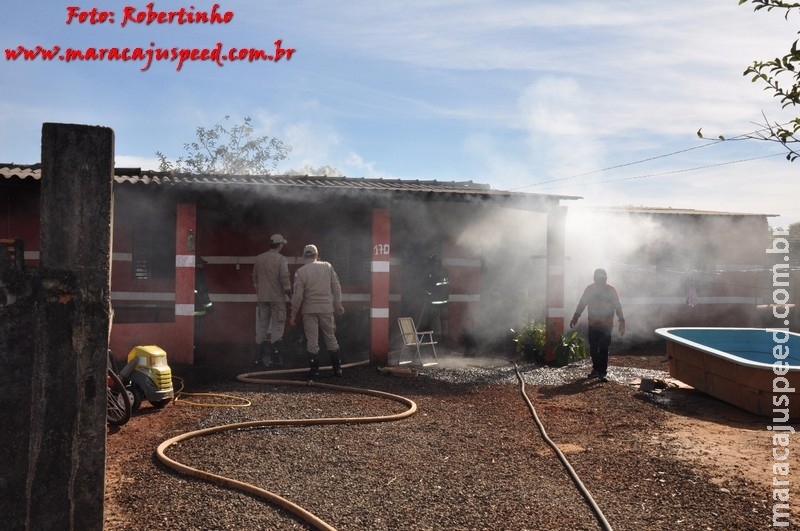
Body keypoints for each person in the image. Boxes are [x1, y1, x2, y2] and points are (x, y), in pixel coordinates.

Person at [289, 244, 345, 377]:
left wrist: (293, 314)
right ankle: (337, 369)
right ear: (317, 255)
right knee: (331, 338)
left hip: (309, 309)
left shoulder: (301, 272)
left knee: (312, 340)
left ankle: (315, 370)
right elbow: (336, 287)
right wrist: (338, 304)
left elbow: (298, 296)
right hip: (326, 308)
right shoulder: (327, 266)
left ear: (304, 256)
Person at [569, 268, 625, 382]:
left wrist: (622, 321)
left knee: (604, 348)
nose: (600, 281)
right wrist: (575, 317)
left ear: (605, 279)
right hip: (593, 324)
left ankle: (602, 372)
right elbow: (582, 303)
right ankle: (596, 369)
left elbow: (618, 306)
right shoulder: (589, 290)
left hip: (606, 325)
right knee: (593, 348)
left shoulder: (611, 291)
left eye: (602, 279)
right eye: (598, 278)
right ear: (594, 278)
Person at [252, 234, 292, 368]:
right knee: (277, 327)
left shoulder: (259, 258)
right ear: (280, 245)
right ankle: (276, 360)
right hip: (277, 299)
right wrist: (291, 296)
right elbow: (285, 279)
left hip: (262, 298)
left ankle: (258, 359)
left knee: (262, 327)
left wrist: (260, 292)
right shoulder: (281, 259)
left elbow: (255, 279)